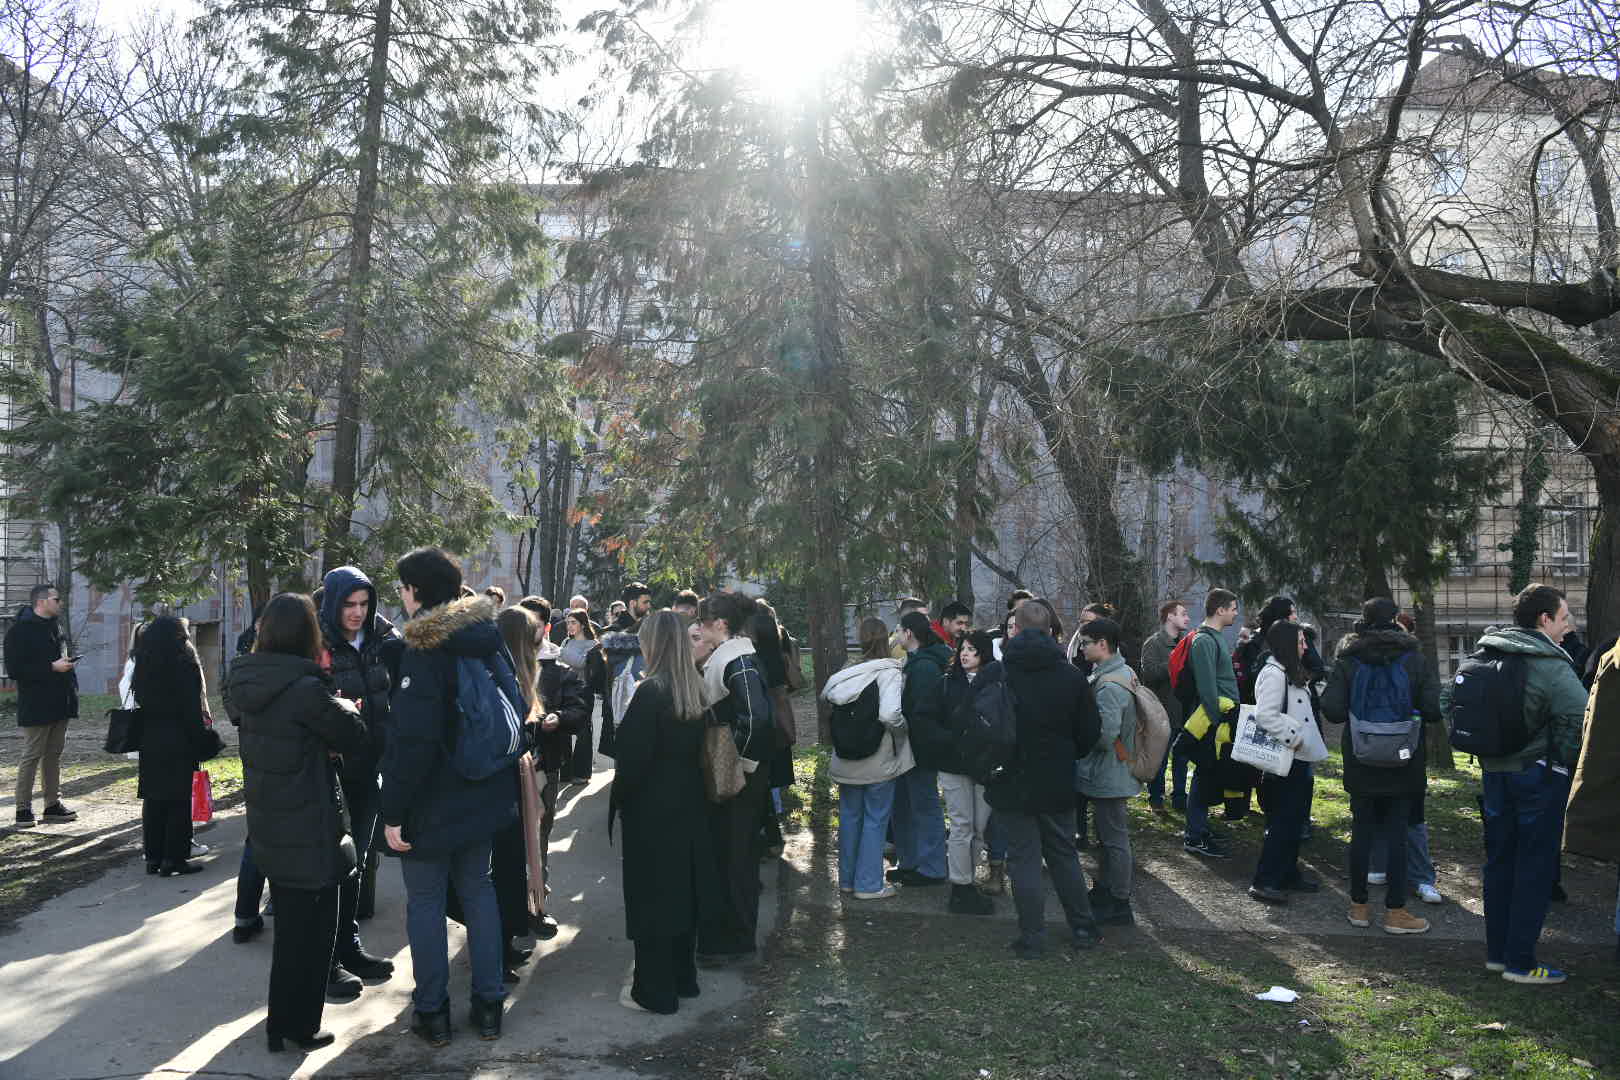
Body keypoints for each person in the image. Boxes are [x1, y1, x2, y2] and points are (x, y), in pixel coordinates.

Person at [382, 547, 519, 1045]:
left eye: (402, 587)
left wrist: (393, 812)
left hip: (433, 801)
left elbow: (413, 742)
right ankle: (489, 1006)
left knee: (425, 902)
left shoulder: (424, 649)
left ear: (416, 591)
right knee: (480, 892)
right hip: (483, 788)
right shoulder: (485, 637)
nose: (401, 596)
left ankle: (433, 1012)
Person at [229, 593, 368, 1053]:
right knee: (315, 934)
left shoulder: (247, 681)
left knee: (290, 933)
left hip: (271, 821)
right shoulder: (307, 688)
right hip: (310, 822)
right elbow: (353, 736)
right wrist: (349, 709)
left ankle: (279, 1025)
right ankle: (301, 1026)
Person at [1445, 584, 1586, 985]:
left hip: (1493, 774)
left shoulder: (1484, 653)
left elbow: (1446, 703)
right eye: (1564, 618)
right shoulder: (1550, 665)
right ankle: (1521, 963)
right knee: (1535, 867)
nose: (1568, 625)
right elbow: (1583, 716)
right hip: (1538, 776)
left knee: (1499, 862)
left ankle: (1498, 955)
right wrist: (1560, 751)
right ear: (1544, 619)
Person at [610, 610, 713, 1012]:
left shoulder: (651, 692)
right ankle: (683, 979)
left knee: (652, 899)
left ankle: (654, 991)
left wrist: (621, 799)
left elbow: (632, 761)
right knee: (682, 895)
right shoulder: (693, 687)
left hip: (652, 813)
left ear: (653, 644)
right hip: (690, 806)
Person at [991, 599, 1103, 957]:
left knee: (1023, 860)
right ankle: (1083, 928)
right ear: (1051, 631)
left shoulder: (1000, 674)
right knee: (1063, 855)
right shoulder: (1071, 676)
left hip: (1011, 777)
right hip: (1057, 777)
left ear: (1016, 630)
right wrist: (1067, 754)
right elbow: (1090, 731)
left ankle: (1032, 937)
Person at [1322, 597, 1440, 936]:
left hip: (1361, 759)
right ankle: (1396, 911)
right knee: (1398, 834)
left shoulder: (1349, 659)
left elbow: (1333, 710)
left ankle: (1359, 907)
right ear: (1395, 620)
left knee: (1361, 831)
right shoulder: (1414, 659)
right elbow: (1432, 709)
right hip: (1404, 760)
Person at [317, 566, 400, 995]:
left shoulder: (384, 638)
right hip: (329, 771)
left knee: (358, 863)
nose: (357, 612)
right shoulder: (316, 643)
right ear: (333, 603)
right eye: (349, 604)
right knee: (331, 866)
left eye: (364, 604)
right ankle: (325, 960)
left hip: (371, 766)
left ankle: (348, 947)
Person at [694, 590, 777, 965]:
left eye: (703, 622)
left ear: (720, 624)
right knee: (731, 855)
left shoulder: (736, 659)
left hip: (738, 776)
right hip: (735, 771)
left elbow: (757, 719)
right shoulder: (734, 657)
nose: (698, 628)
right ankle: (730, 938)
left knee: (734, 857)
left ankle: (735, 941)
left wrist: (739, 765)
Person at [826, 617, 913, 900]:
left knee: (850, 818)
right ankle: (868, 884)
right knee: (875, 819)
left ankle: (847, 880)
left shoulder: (846, 672)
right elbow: (890, 714)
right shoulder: (888, 671)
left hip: (846, 759)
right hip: (879, 759)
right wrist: (902, 733)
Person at [1247, 620, 1329, 904]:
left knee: (1293, 822)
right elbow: (1265, 715)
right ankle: (1265, 881)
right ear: (1287, 644)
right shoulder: (1273, 674)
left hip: (1298, 758)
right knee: (1282, 822)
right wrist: (1294, 739)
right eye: (1300, 642)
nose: (1305, 647)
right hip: (1286, 759)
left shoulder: (1288, 671)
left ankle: (1288, 873)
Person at [526, 602, 589, 937]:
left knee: (539, 839)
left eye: (535, 625)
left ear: (547, 628)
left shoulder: (560, 669)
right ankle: (507, 912)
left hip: (545, 766)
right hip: (504, 768)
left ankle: (536, 907)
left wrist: (559, 718)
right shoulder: (502, 663)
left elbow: (579, 710)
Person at [131, 616, 211, 875]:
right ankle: (174, 858)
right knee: (178, 799)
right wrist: (201, 739)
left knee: (154, 799)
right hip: (179, 739)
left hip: (150, 738)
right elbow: (191, 709)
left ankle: (153, 857)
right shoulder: (184, 664)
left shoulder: (143, 663)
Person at [1076, 617, 1141, 926]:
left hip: (1110, 772)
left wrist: (1079, 736)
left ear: (1102, 644)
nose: (1082, 648)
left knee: (1114, 839)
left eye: (1086, 643)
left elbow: (1104, 736)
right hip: (1113, 769)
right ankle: (1104, 890)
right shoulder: (1122, 672)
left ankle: (1120, 902)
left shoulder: (1110, 685)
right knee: (1106, 836)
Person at [5, 583, 79, 828]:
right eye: (57, 599)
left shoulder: (55, 627)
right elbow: (15, 670)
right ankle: (23, 809)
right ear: (41, 601)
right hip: (36, 704)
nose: (61, 603)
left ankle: (52, 805)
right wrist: (51, 667)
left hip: (60, 702)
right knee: (32, 755)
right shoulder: (19, 631)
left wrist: (66, 665)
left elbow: (58, 658)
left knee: (53, 755)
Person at [935, 629, 998, 915]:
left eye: (972, 649)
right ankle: (960, 888)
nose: (965, 654)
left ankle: (968, 881)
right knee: (961, 825)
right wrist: (949, 741)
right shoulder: (947, 683)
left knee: (979, 828)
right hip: (954, 764)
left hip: (984, 766)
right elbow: (932, 720)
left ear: (983, 653)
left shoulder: (996, 684)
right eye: (962, 648)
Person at [887, 611, 951, 889]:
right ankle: (910, 862)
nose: (895, 636)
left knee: (924, 806)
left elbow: (922, 713)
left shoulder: (924, 667)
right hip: (910, 747)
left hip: (918, 749)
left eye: (898, 630)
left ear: (909, 633)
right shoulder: (917, 662)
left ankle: (932, 868)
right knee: (903, 805)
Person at [1179, 589, 1242, 858]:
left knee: (1207, 774)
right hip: (1212, 722)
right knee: (1203, 774)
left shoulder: (1215, 638)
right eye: (1233, 608)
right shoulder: (1204, 641)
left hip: (1221, 720)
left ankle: (1200, 828)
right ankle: (1194, 836)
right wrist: (1216, 722)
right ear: (1220, 610)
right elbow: (1207, 688)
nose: (1236, 613)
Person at [1141, 600, 1191, 814]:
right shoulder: (1154, 643)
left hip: (1185, 712)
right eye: (1183, 614)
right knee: (1159, 759)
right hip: (1162, 713)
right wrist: (1173, 662)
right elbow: (1149, 674)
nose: (1187, 618)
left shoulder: (1188, 644)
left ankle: (1180, 799)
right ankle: (1156, 798)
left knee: (1182, 759)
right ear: (1170, 616)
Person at [559, 607, 606, 784]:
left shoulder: (593, 644)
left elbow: (580, 663)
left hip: (583, 691)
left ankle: (582, 773)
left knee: (583, 731)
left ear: (583, 624)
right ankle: (564, 772)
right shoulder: (566, 642)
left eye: (573, 623)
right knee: (562, 729)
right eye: (568, 623)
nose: (569, 626)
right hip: (564, 689)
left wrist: (558, 651)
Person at [1234, 595, 1296, 704]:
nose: (1295, 617)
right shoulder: (1254, 646)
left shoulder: (1287, 643)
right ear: (1280, 616)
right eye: (1292, 613)